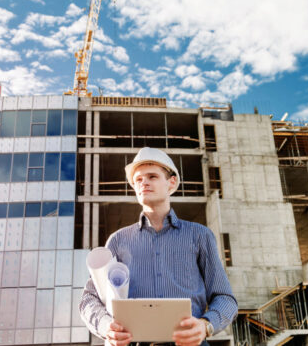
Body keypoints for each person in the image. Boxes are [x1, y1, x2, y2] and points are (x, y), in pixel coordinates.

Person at [80, 147, 237, 346]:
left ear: (171, 182)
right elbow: (89, 299)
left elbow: (225, 298)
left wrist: (206, 325)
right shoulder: (118, 241)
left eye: (152, 176)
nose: (143, 182)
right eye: (138, 179)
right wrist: (106, 328)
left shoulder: (200, 235)